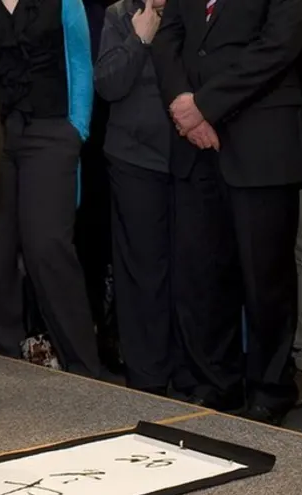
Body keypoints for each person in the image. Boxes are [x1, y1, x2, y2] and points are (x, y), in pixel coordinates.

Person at [151, 0, 302, 424]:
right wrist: (183, 103)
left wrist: (206, 104)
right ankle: (214, 385)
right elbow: (167, 38)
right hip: (192, 142)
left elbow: (280, 44)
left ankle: (270, 389)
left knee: (266, 279)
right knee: (200, 275)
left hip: (261, 140)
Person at [0, 0, 102, 378]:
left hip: (50, 133)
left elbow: (80, 62)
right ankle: (1, 369)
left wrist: (76, 129)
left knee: (47, 246)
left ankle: (83, 368)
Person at [95, 0, 174, 396]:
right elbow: (107, 84)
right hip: (133, 160)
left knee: (192, 272)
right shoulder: (119, 15)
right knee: (140, 274)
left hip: (190, 158)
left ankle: (192, 373)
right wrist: (138, 39)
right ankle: (146, 377)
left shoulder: (192, 14)